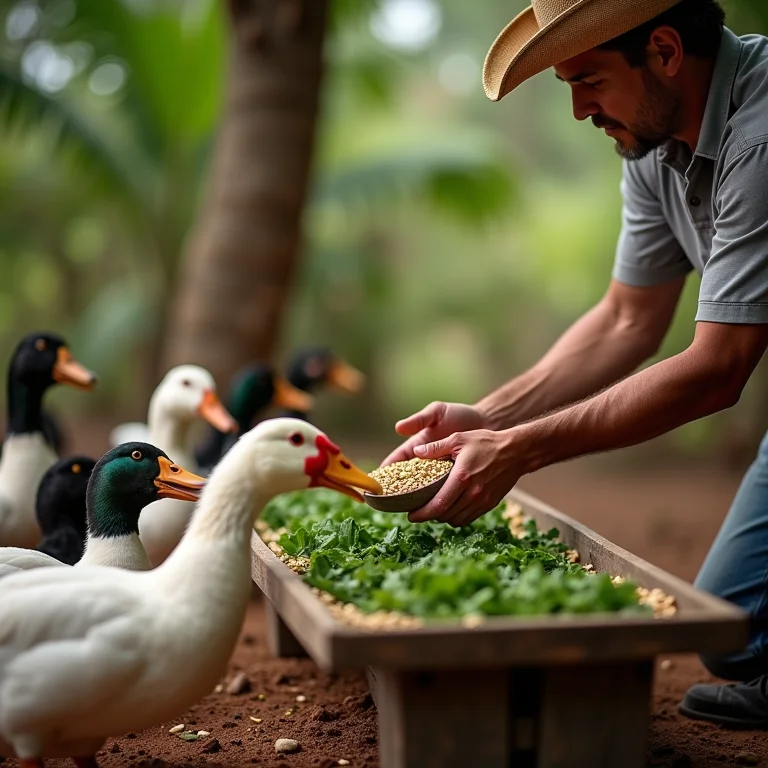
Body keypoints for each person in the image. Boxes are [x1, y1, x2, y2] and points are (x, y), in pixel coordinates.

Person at [383, 0, 768, 729]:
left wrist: (520, 450)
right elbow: (628, 319)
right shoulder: (651, 143)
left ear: (663, 51)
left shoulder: (760, 136)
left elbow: (720, 368)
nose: (577, 109)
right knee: (739, 629)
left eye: (588, 79)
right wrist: (490, 419)